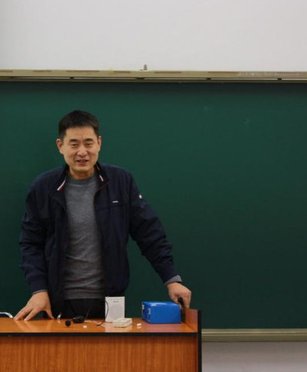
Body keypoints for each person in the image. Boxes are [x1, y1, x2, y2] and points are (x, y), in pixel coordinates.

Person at [15, 110, 191, 321]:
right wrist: (38, 290)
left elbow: (149, 234)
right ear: (60, 146)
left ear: (99, 143)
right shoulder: (43, 188)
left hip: (111, 300)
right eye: (74, 144)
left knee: (110, 344)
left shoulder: (120, 182)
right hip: (56, 301)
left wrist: (171, 279)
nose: (82, 152)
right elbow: (31, 244)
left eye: (88, 143)